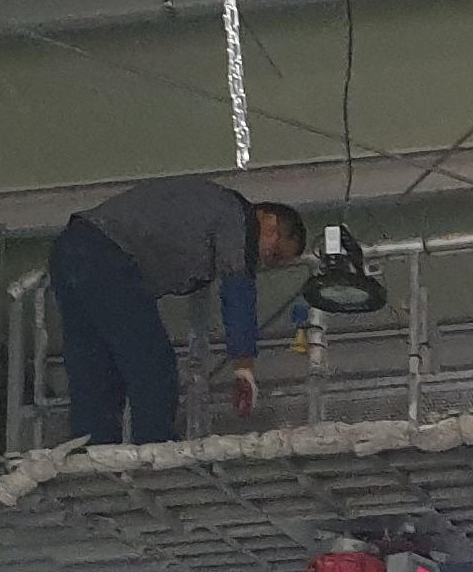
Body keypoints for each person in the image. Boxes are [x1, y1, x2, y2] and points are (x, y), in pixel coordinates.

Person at [47, 177, 309, 446]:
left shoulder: (207, 207)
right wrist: (244, 368)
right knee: (152, 364)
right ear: (269, 223)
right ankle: (154, 451)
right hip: (108, 256)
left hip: (71, 248)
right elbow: (238, 293)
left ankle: (92, 453)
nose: (265, 263)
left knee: (94, 369)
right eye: (274, 254)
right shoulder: (236, 218)